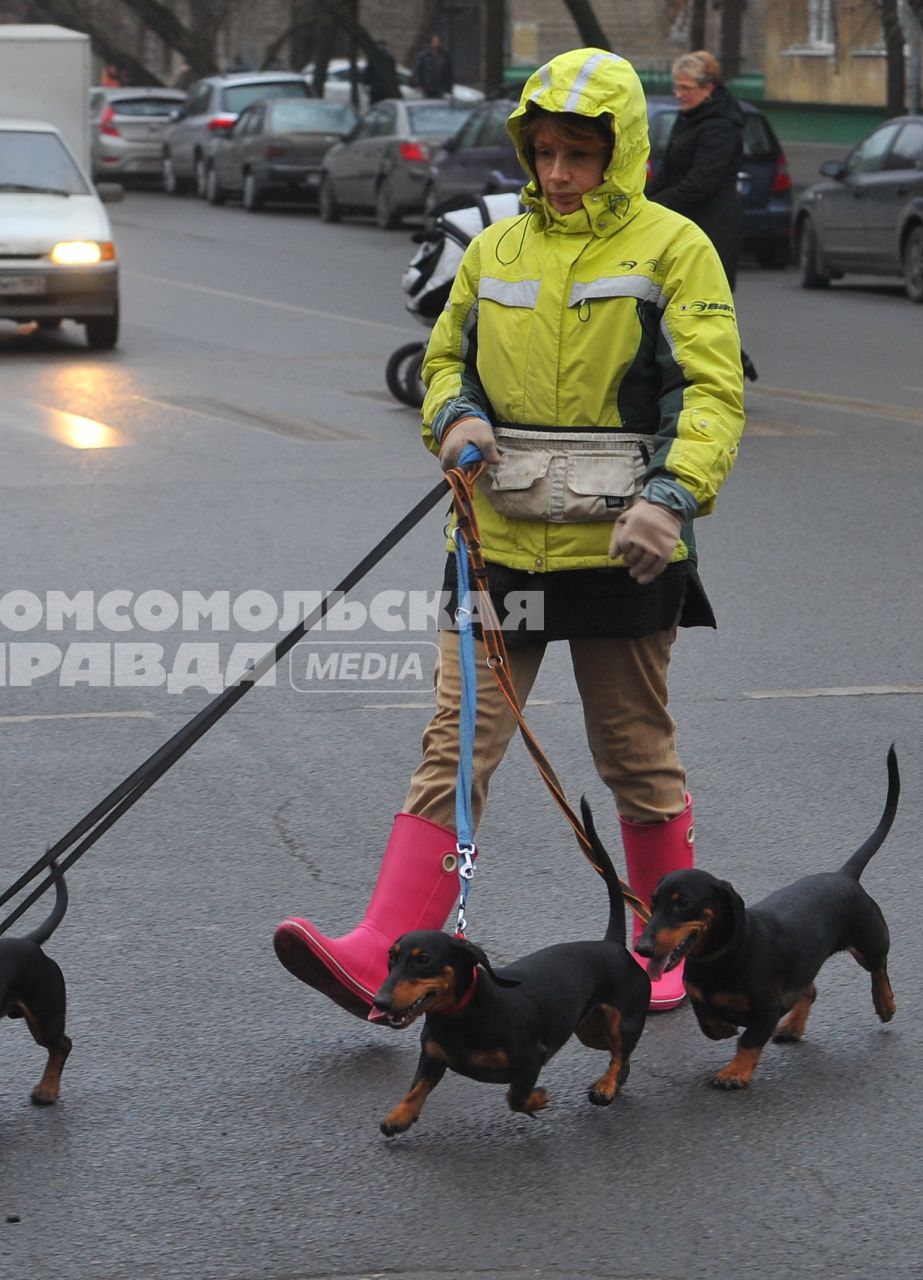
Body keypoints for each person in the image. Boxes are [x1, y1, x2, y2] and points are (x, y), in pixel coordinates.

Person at [273, 48, 744, 1019]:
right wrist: (457, 417)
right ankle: (379, 952)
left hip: (625, 549)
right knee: (457, 746)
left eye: (580, 154)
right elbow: (445, 360)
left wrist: (675, 493)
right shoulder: (495, 250)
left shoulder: (674, 248)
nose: (561, 174)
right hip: (500, 549)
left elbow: (712, 390)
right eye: (545, 152)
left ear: (621, 154)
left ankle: (667, 948)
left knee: (634, 750)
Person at [647, 50, 756, 380]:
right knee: (677, 301)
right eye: (676, 88)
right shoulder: (689, 118)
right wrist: (643, 200)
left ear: (707, 88)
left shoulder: (721, 127)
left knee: (705, 304)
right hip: (686, 222)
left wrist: (656, 207)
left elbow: (700, 183)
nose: (679, 95)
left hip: (713, 225)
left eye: (685, 88)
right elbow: (669, 169)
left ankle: (726, 368)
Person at [412, 33, 453, 100]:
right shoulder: (424, 55)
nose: (436, 43)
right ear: (431, 42)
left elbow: (449, 72)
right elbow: (417, 69)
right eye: (434, 41)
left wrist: (449, 88)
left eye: (438, 41)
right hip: (427, 87)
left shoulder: (444, 55)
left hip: (440, 87)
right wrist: (417, 83)